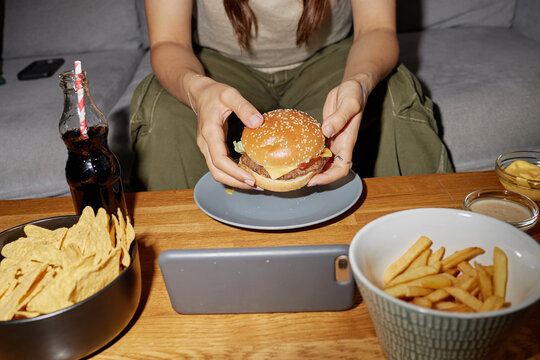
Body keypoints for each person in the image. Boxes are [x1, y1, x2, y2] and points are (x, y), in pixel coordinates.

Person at [129, 0, 453, 192]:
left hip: (331, 58)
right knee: (163, 113)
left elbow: (376, 30)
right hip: (216, 65)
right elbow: (169, 41)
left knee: (393, 99)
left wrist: (361, 81)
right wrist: (197, 90)